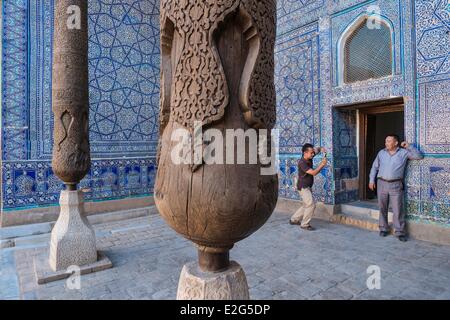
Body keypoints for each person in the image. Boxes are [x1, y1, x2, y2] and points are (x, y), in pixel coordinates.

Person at [369, 134, 423, 242]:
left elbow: (419, 156)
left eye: (389, 141)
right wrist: (371, 180)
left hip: (396, 184)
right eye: (386, 141)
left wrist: (409, 146)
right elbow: (374, 167)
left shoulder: (403, 153)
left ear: (396, 143)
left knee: (398, 209)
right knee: (382, 207)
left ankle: (399, 232)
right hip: (381, 183)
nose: (386, 143)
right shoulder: (381, 153)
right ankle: (383, 228)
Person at [290, 143, 327, 231]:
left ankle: (294, 219)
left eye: (313, 153)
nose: (313, 154)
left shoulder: (309, 157)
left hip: (307, 186)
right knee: (311, 205)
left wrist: (322, 149)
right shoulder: (302, 163)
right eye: (311, 153)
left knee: (306, 205)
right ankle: (305, 224)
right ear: (305, 153)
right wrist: (322, 165)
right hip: (303, 187)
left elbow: (317, 150)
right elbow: (313, 172)